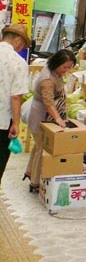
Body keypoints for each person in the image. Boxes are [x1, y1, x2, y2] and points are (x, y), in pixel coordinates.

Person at [24, 49, 76, 192]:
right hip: (41, 115)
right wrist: (58, 118)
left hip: (45, 114)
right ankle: (35, 182)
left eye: (69, 67)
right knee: (42, 148)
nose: (66, 70)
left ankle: (30, 172)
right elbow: (48, 103)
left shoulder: (53, 71)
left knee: (38, 146)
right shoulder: (47, 80)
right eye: (64, 67)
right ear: (57, 63)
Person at [0, 24, 31, 184]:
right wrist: (16, 124)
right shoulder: (18, 62)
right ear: (18, 40)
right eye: (22, 45)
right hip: (2, 121)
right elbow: (16, 97)